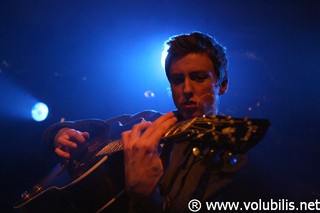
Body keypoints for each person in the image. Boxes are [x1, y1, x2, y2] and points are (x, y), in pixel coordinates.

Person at [42, 32, 247, 212]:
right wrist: (59, 135)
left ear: (222, 85)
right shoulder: (149, 120)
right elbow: (89, 130)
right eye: (177, 80)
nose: (186, 90)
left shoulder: (226, 154)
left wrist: (146, 198)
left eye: (199, 78)